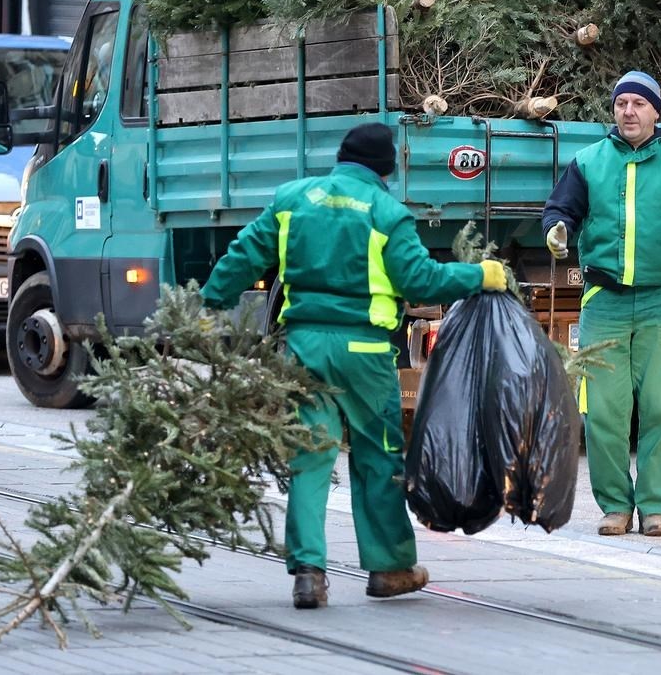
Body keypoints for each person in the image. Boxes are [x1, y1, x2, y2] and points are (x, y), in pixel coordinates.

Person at [201, 122, 507, 609]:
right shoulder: (387, 212)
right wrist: (479, 275)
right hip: (364, 354)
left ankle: (308, 573)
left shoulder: (291, 199)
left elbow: (242, 257)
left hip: (302, 349)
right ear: (385, 168)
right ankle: (388, 568)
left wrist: (206, 305)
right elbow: (421, 280)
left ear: (341, 157)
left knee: (309, 457)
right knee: (377, 459)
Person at [541, 70, 661, 538]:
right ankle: (615, 507)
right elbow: (560, 210)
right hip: (605, 304)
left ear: (656, 111)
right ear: (613, 110)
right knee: (602, 411)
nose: (629, 112)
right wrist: (556, 232)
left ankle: (656, 508)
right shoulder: (588, 161)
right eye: (622, 104)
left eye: (639, 104)